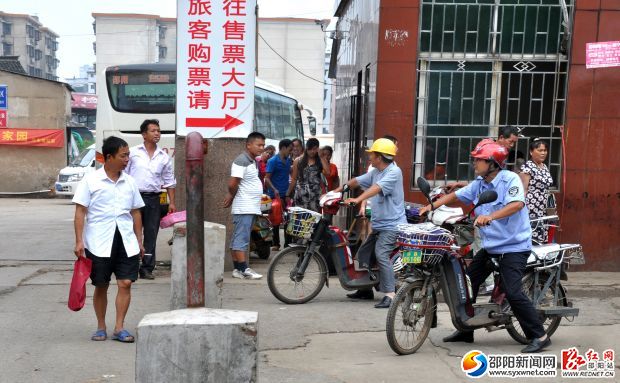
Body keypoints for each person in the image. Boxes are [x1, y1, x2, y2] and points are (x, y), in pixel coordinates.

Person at [419, 140, 551, 353]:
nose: (474, 164)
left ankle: (539, 334)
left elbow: (517, 204)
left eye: (478, 160)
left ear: (492, 163)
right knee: (467, 282)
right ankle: (466, 329)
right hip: (492, 247)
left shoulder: (509, 180)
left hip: (514, 246)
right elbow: (456, 195)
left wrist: (491, 216)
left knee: (513, 291)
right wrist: (431, 206)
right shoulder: (480, 183)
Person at [73, 136, 145, 343]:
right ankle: (101, 326)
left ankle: (120, 327)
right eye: (123, 156)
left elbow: (136, 213)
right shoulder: (91, 180)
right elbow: (80, 212)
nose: (127, 159)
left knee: (125, 283)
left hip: (126, 239)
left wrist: (139, 241)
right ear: (109, 157)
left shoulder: (129, 181)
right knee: (101, 284)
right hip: (98, 241)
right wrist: (79, 241)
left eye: (128, 155)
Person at [334, 138, 406, 309]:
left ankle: (390, 294)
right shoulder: (376, 172)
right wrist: (338, 191)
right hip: (380, 224)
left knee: (381, 254)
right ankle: (365, 289)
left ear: (379, 157)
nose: (370, 158)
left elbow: (376, 188)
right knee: (363, 254)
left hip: (392, 226)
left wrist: (358, 199)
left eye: (372, 155)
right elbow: (357, 181)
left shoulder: (394, 172)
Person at [125, 119, 176, 280]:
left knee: (151, 233)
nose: (157, 134)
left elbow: (169, 181)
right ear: (144, 134)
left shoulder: (163, 157)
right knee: (131, 232)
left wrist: (172, 202)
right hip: (133, 198)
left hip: (153, 199)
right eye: (153, 131)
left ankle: (147, 267)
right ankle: (130, 266)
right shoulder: (133, 153)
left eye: (158, 131)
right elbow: (123, 175)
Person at [222, 132, 266, 280]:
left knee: (238, 238)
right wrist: (230, 194)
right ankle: (243, 269)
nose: (261, 148)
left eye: (263, 145)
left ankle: (237, 270)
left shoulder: (252, 161)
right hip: (244, 206)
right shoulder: (241, 161)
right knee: (241, 238)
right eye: (258, 145)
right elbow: (233, 183)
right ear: (248, 145)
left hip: (249, 206)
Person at [445, 126, 521, 192]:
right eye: (510, 141)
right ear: (501, 137)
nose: (512, 145)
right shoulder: (488, 152)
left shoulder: (510, 174)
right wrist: (460, 184)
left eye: (514, 143)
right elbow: (481, 183)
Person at [520, 138, 553, 244]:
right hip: (531, 208)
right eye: (539, 150)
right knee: (532, 235)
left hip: (544, 207)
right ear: (531, 152)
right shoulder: (527, 167)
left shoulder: (544, 167)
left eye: (545, 150)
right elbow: (523, 190)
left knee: (542, 235)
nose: (543, 153)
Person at [286, 138, 330, 212]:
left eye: (315, 149)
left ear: (318, 149)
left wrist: (322, 156)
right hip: (301, 195)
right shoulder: (298, 161)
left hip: (315, 196)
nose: (312, 151)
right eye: (310, 149)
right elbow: (294, 179)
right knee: (301, 219)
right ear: (306, 148)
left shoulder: (320, 160)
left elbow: (328, 173)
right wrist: (288, 193)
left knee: (314, 220)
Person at [264, 139, 293, 251]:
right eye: (289, 149)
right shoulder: (273, 161)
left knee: (288, 219)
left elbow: (291, 174)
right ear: (283, 148)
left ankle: (287, 245)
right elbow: (266, 178)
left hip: (286, 195)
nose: (290, 152)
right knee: (276, 220)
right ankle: (276, 244)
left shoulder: (289, 161)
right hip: (275, 195)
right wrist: (274, 189)